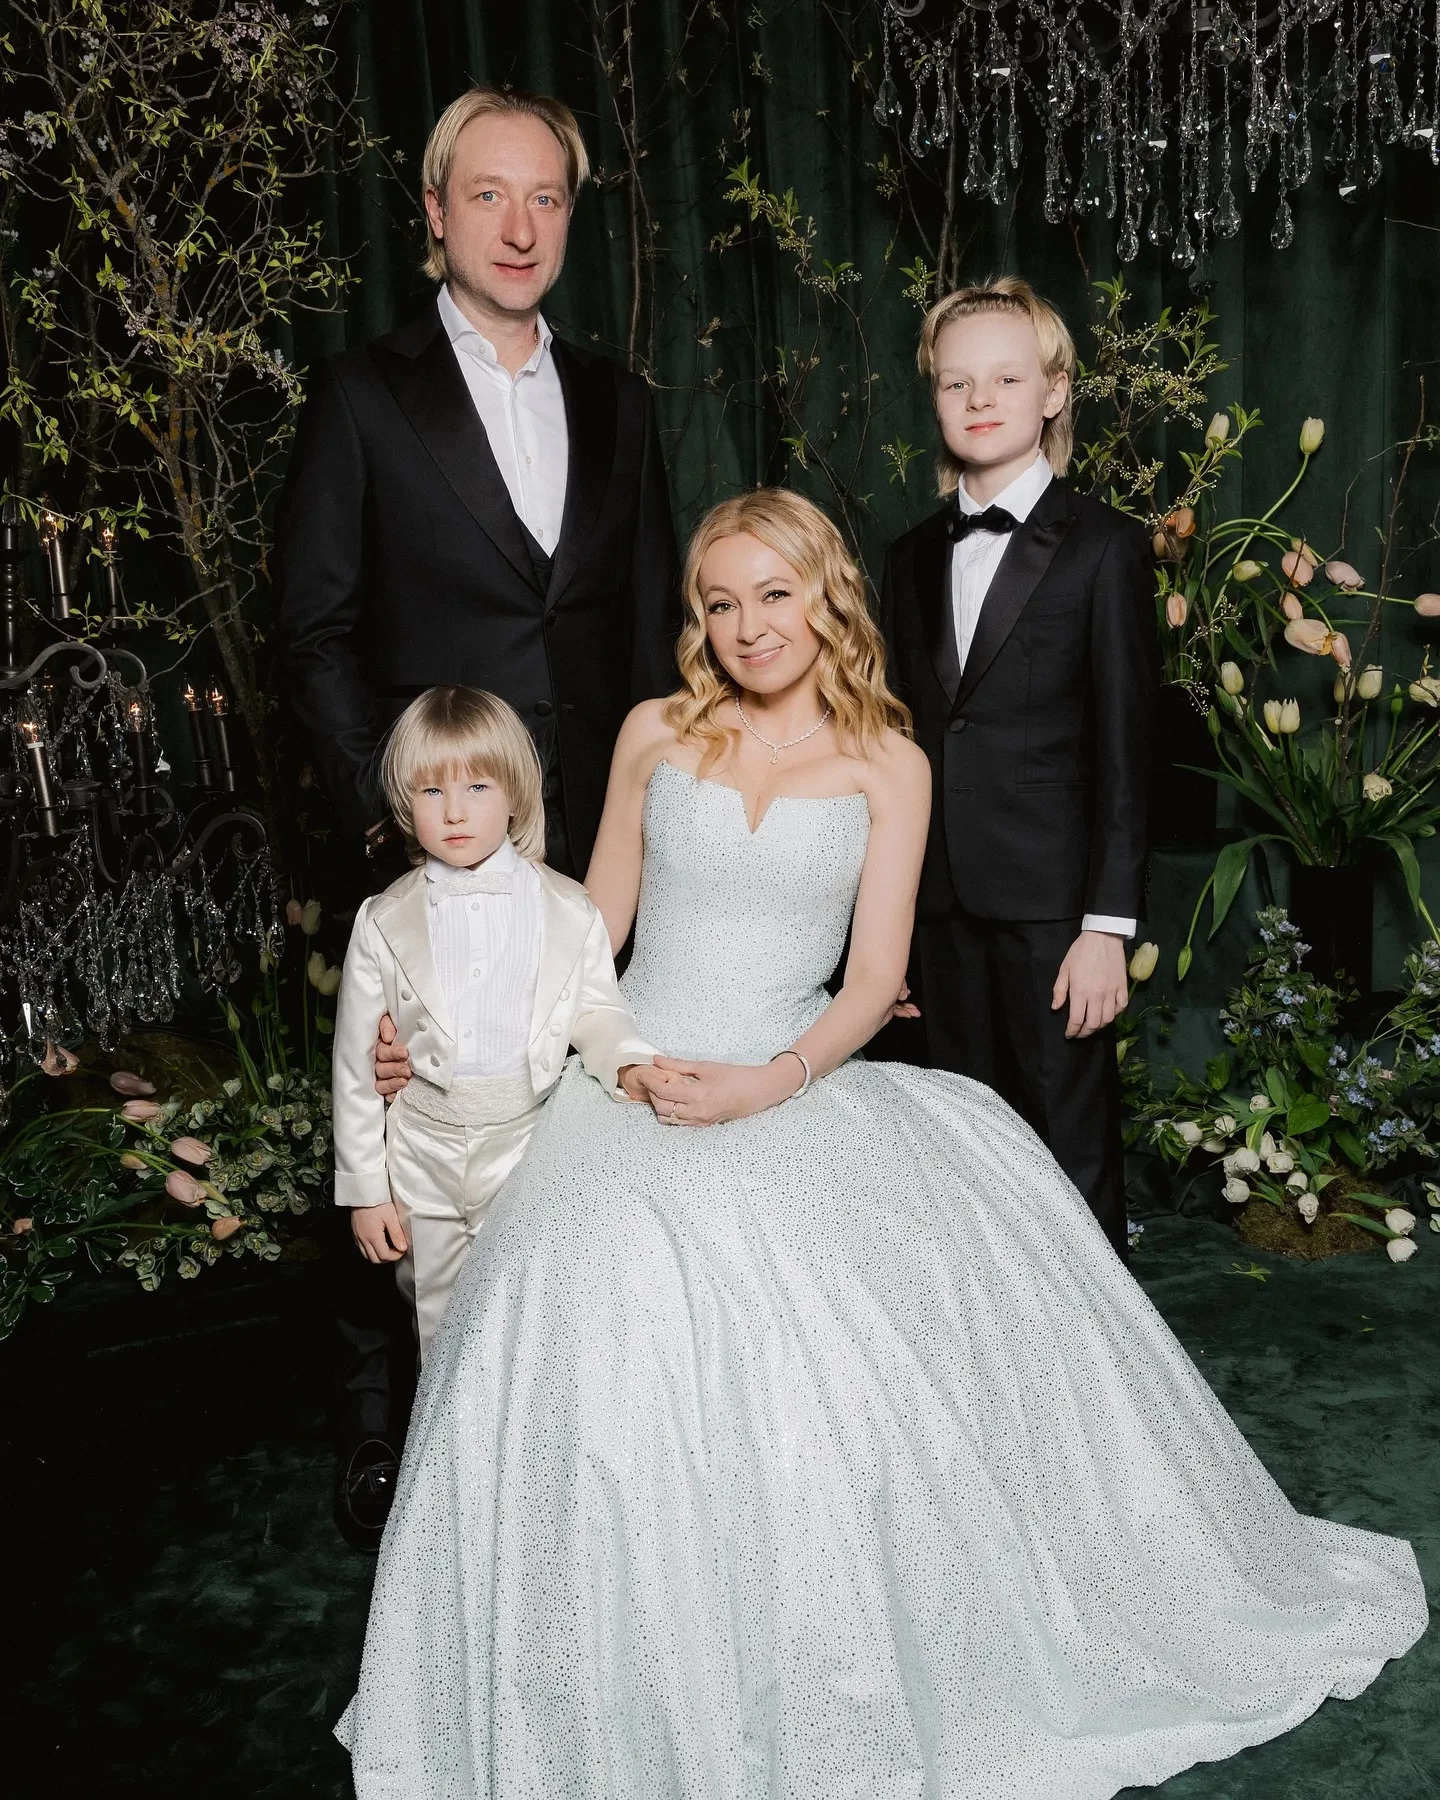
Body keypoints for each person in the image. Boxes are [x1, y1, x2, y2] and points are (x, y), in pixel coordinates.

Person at [339, 490, 1425, 1798]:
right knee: (596, 1304)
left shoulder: (888, 763)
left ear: (828, 596)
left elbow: (869, 986)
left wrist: (768, 1084)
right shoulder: (651, 733)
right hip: (635, 1073)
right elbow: (586, 936)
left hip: (792, 1072)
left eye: (775, 594)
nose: (749, 626)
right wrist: (440, 1036)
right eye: (720, 603)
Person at [272, 86, 678, 1538]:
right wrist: (397, 828)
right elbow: (313, 632)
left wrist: (656, 832)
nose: (520, 226)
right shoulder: (363, 395)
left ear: (570, 219)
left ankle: (571, 1424)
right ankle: (381, 1432)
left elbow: (650, 641)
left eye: (547, 198)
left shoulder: (623, 403)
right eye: (489, 195)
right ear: (436, 213)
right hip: (432, 839)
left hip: (594, 853)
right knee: (405, 1119)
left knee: (571, 1125)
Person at [881, 276, 1157, 1258]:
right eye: (956, 382)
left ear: (1054, 391)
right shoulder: (907, 556)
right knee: (954, 1148)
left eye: (1005, 377)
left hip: (1053, 915)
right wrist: (888, 930)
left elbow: (1128, 753)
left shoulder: (1106, 549)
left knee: (1067, 1149)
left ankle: (1096, 1344)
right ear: (935, 397)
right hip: (936, 909)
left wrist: (1106, 929)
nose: (980, 398)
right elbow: (897, 747)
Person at [331, 687, 657, 1364]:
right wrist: (366, 1191)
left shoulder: (569, 908)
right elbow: (356, 1069)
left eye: (477, 787)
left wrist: (627, 1062)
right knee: (439, 1324)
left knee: (537, 1318)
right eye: (431, 791)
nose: (454, 812)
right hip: (421, 1153)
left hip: (529, 1145)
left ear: (514, 794)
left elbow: (597, 1009)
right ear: (405, 804)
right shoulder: (382, 919)